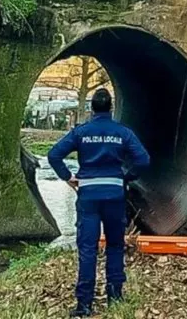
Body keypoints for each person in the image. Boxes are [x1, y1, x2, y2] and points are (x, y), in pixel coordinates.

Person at [48, 88, 150, 317]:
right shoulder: (122, 132)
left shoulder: (81, 132)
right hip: (114, 195)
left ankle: (84, 305)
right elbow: (143, 160)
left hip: (88, 196)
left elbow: (53, 155)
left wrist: (68, 177)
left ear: (91, 109)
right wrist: (126, 177)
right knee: (114, 245)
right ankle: (115, 297)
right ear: (111, 108)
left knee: (88, 248)